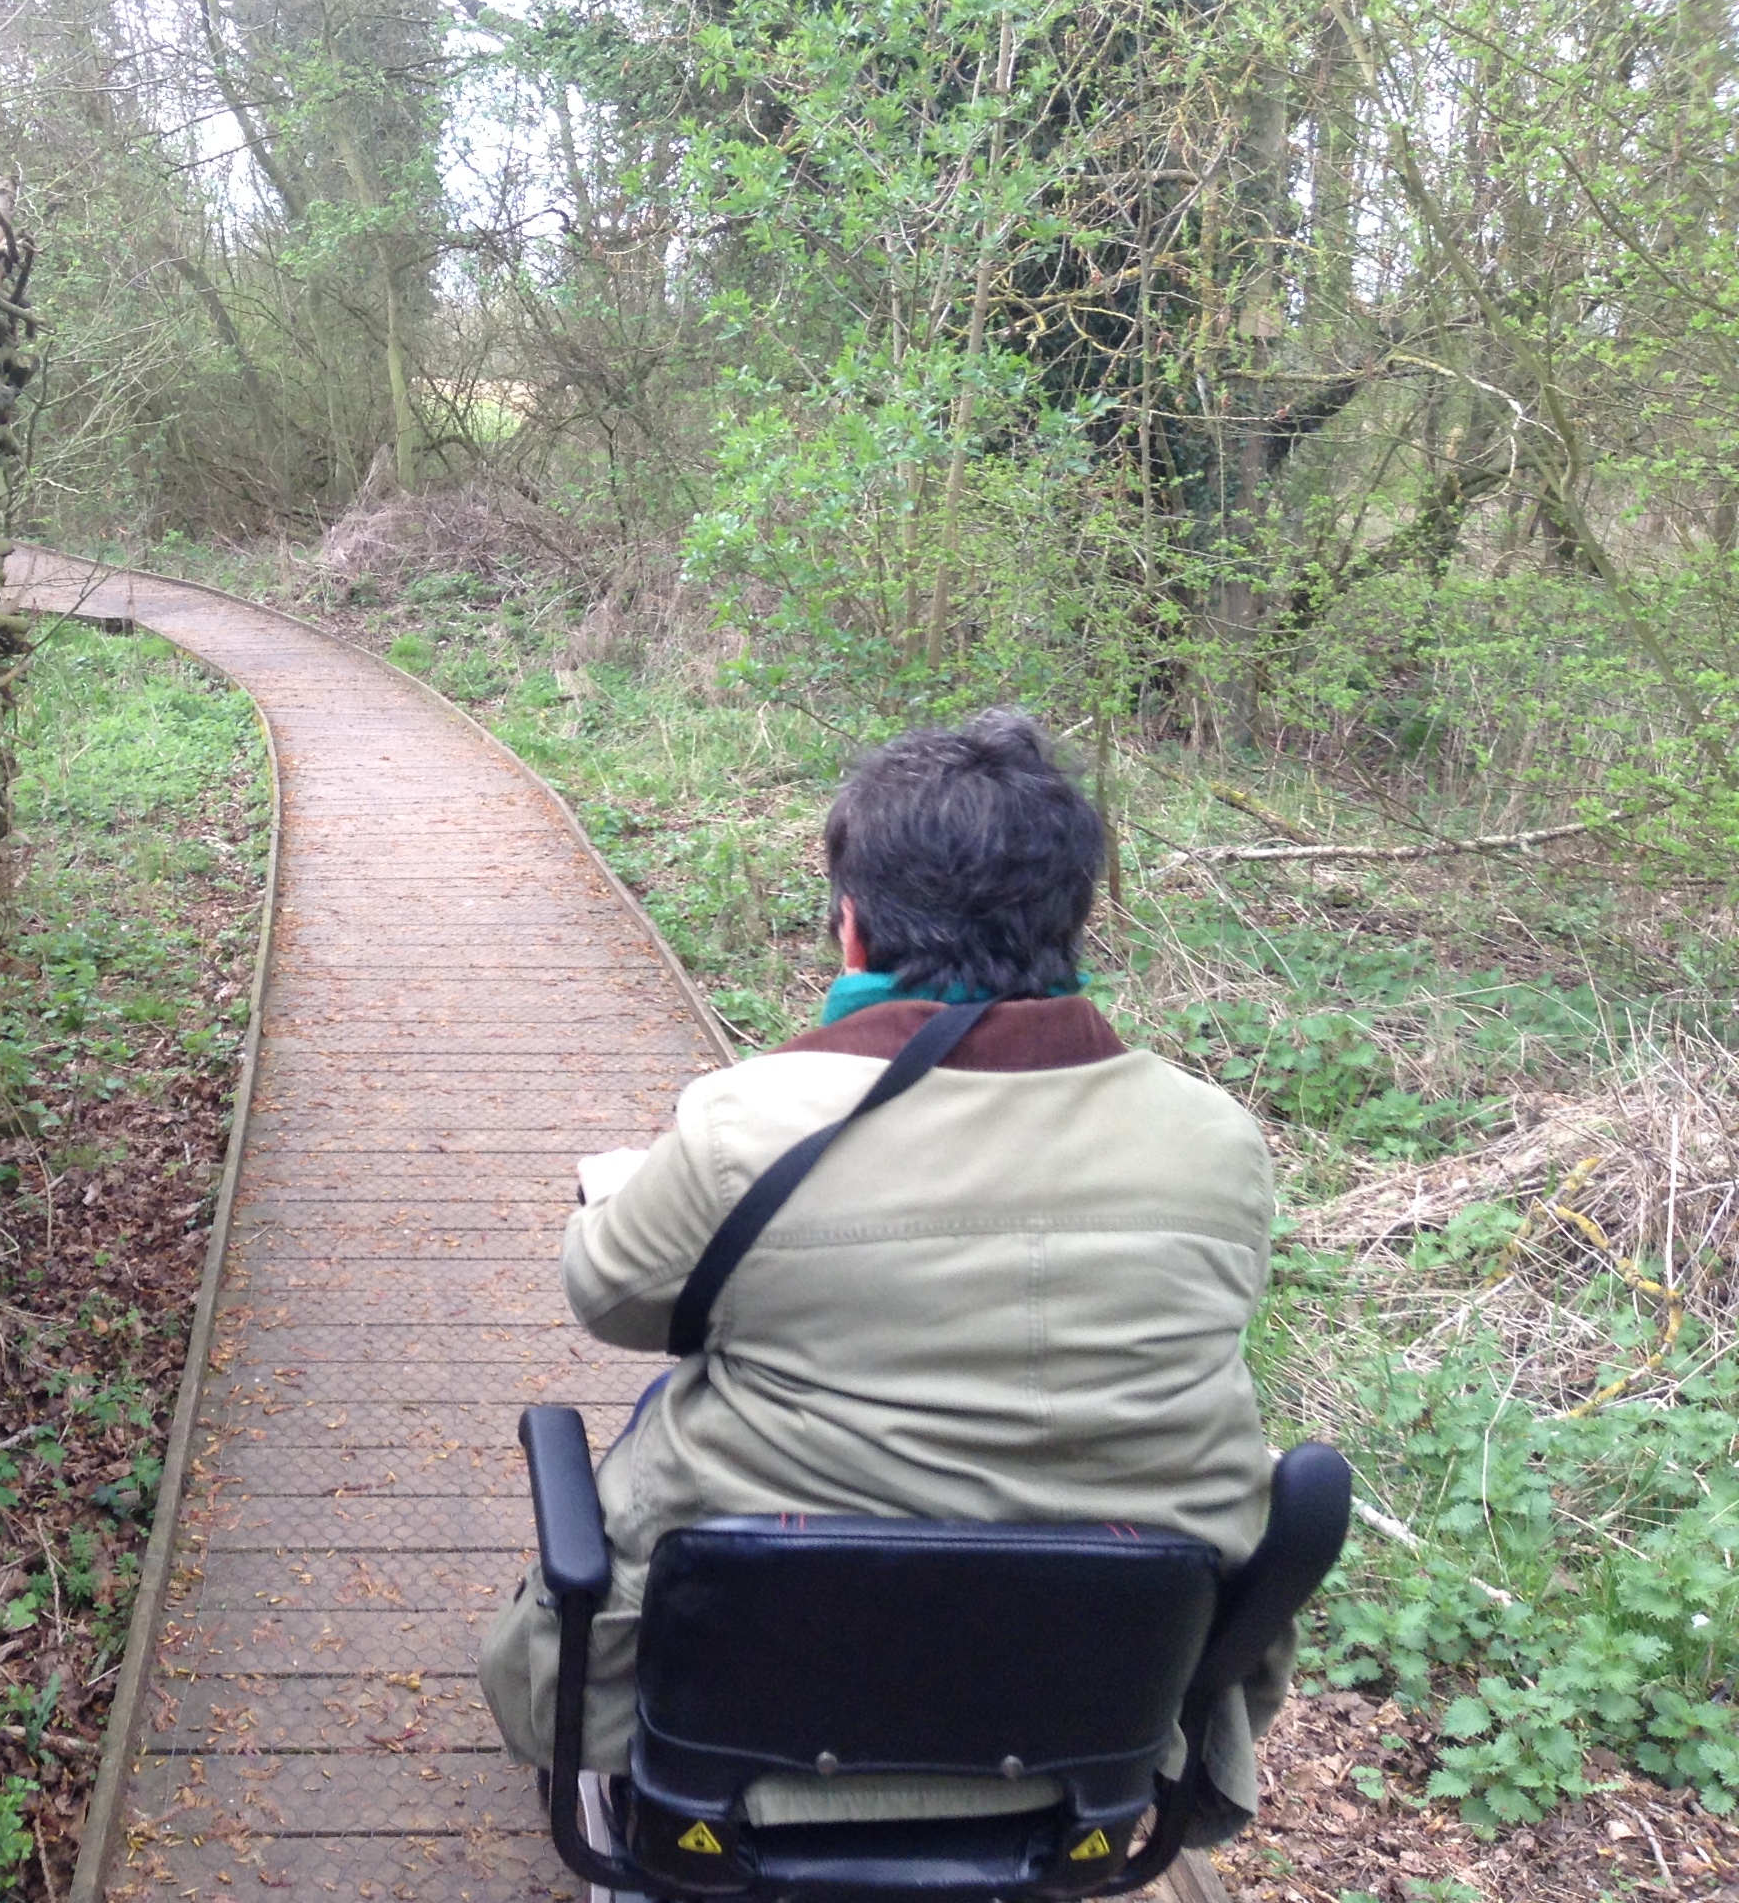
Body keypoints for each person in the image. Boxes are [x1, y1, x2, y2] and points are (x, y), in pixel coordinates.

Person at [478, 708, 1288, 1841]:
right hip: (1089, 1723)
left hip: (749, 1717)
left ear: (851, 929)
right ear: (1075, 919)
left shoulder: (746, 1126)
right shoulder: (1217, 1142)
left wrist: (633, 1192)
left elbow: (610, 1296)